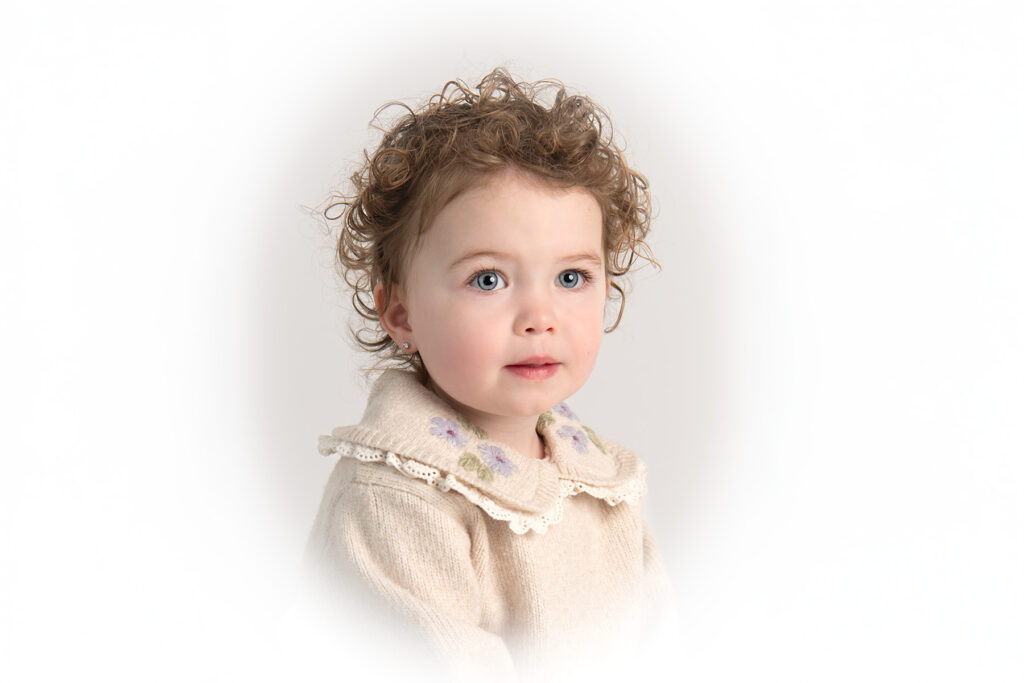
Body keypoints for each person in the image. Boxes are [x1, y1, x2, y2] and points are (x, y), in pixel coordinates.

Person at [303, 68, 676, 681]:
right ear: (401, 312)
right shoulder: (394, 500)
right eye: (487, 280)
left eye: (571, 278)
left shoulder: (603, 485)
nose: (539, 317)